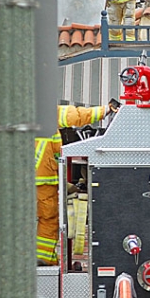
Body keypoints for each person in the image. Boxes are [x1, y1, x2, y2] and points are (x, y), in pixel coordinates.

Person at [36, 103, 115, 266]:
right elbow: (76, 115)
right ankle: (43, 259)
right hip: (42, 179)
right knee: (48, 218)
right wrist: (105, 110)